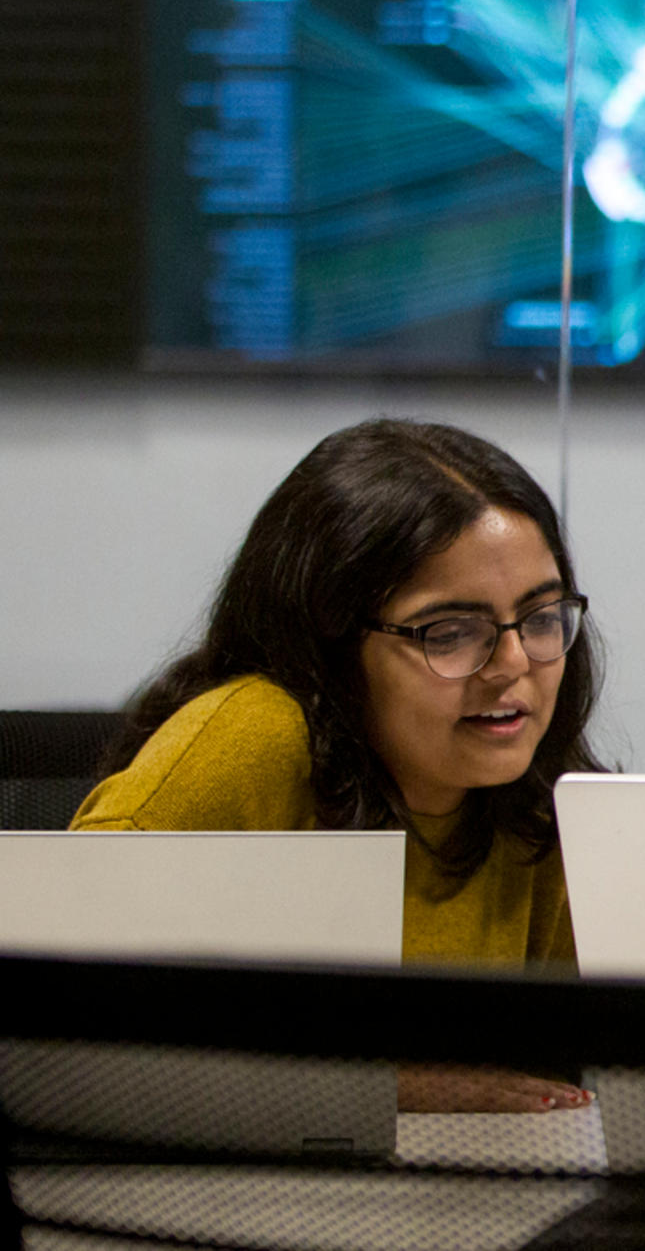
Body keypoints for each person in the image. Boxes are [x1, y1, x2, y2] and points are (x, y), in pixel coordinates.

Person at [74, 419, 603, 1113]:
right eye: (449, 632)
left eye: (539, 618)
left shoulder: (545, 792)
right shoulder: (251, 741)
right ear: (330, 640)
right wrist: (388, 1088)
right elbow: (58, 1039)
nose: (513, 666)